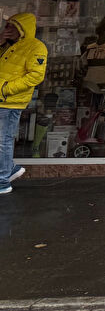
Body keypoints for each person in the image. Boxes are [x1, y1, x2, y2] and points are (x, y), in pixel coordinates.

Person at [0, 14, 47, 194]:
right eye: (7, 26)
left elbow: (36, 76)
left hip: (11, 101)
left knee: (3, 141)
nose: (7, 30)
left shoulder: (36, 47)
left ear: (22, 29)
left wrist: (6, 89)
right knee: (2, 140)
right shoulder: (7, 45)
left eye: (12, 27)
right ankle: (10, 169)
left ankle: (3, 182)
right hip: (2, 99)